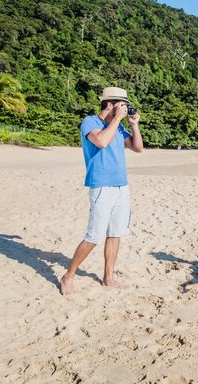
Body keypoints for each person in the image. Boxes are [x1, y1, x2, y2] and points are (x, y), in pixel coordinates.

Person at [60, 87, 143, 295]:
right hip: (101, 185)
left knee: (115, 234)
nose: (125, 109)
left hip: (121, 186)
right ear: (109, 104)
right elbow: (102, 141)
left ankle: (109, 277)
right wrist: (116, 120)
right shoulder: (91, 122)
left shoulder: (119, 127)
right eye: (122, 105)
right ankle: (68, 275)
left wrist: (133, 125)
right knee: (94, 236)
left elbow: (138, 147)